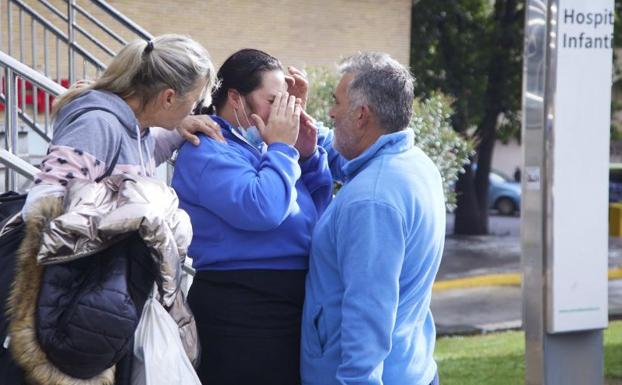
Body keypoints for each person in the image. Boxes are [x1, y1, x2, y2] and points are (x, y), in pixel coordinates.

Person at [7, 34, 219, 385]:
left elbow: (129, 160)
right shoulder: (98, 124)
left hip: (95, 303)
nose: (194, 109)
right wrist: (136, 213)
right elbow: (41, 204)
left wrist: (178, 132)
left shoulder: (134, 128)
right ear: (168, 97)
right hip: (68, 309)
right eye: (194, 102)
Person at [171, 48, 333, 385]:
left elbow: (314, 211)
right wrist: (284, 150)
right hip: (241, 308)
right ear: (236, 98)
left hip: (288, 300)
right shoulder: (206, 148)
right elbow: (263, 209)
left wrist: (306, 155)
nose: (283, 112)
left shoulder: (264, 146)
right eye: (274, 101)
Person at [300, 52, 444, 385]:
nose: (331, 113)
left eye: (336, 103)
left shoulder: (372, 200)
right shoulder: (414, 163)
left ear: (362, 115)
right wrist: (308, 138)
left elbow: (368, 313)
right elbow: (349, 158)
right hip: (412, 369)